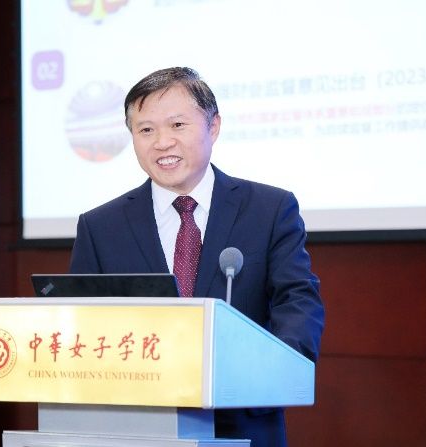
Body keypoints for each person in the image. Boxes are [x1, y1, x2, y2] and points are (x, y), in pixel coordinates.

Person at [70, 67, 325, 447]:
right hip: (136, 426)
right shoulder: (100, 226)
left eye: (177, 125)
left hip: (243, 421)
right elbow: (82, 325)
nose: (162, 142)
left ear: (213, 126)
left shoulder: (269, 209)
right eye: (146, 130)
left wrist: (274, 370)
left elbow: (297, 300)